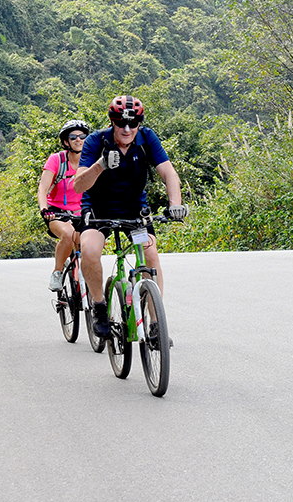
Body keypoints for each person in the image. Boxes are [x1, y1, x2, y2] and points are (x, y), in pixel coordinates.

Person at [73, 95, 188, 337]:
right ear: (112, 122)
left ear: (139, 123)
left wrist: (175, 204)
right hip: (98, 209)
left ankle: (156, 323)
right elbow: (78, 186)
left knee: (150, 255)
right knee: (91, 251)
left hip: (134, 209)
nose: (127, 129)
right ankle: (99, 306)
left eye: (133, 124)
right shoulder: (96, 141)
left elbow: (168, 173)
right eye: (120, 123)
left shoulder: (147, 138)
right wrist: (100, 165)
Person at [37, 119, 91, 291]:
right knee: (67, 235)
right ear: (66, 141)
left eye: (82, 136)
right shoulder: (56, 160)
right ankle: (57, 272)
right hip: (57, 212)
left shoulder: (91, 161)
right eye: (73, 137)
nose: (78, 140)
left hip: (82, 211)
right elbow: (43, 189)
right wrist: (44, 209)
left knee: (90, 243)